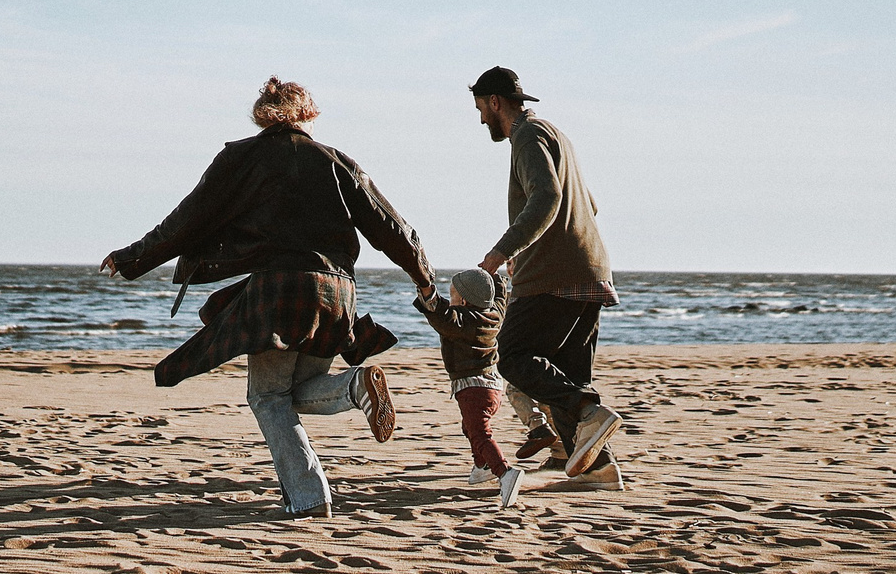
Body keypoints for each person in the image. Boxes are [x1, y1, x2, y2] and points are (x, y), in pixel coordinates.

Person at [103, 77, 433, 520]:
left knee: (268, 397)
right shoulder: (337, 162)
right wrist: (423, 278)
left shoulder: (240, 158)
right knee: (295, 391)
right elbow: (391, 227)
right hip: (336, 293)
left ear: (263, 114)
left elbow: (187, 218)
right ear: (308, 114)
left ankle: (309, 498)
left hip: (279, 290)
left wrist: (133, 257)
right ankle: (354, 386)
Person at [469, 66, 625, 486]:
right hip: (591, 270)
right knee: (565, 371)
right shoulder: (555, 135)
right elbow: (587, 204)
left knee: (514, 354)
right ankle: (596, 466)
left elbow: (548, 196)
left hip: (554, 274)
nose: (481, 117)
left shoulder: (527, 136)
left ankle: (589, 410)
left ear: (496, 102)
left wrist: (504, 251)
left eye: (481, 107)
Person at [413, 268, 526, 508]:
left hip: (473, 390)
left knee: (480, 433)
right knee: (470, 427)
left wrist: (423, 284)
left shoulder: (460, 321)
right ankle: (482, 466)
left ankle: (504, 473)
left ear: (463, 301)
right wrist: (494, 275)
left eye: (452, 295)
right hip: (493, 387)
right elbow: (500, 296)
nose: (449, 299)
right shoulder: (494, 314)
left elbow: (436, 309)